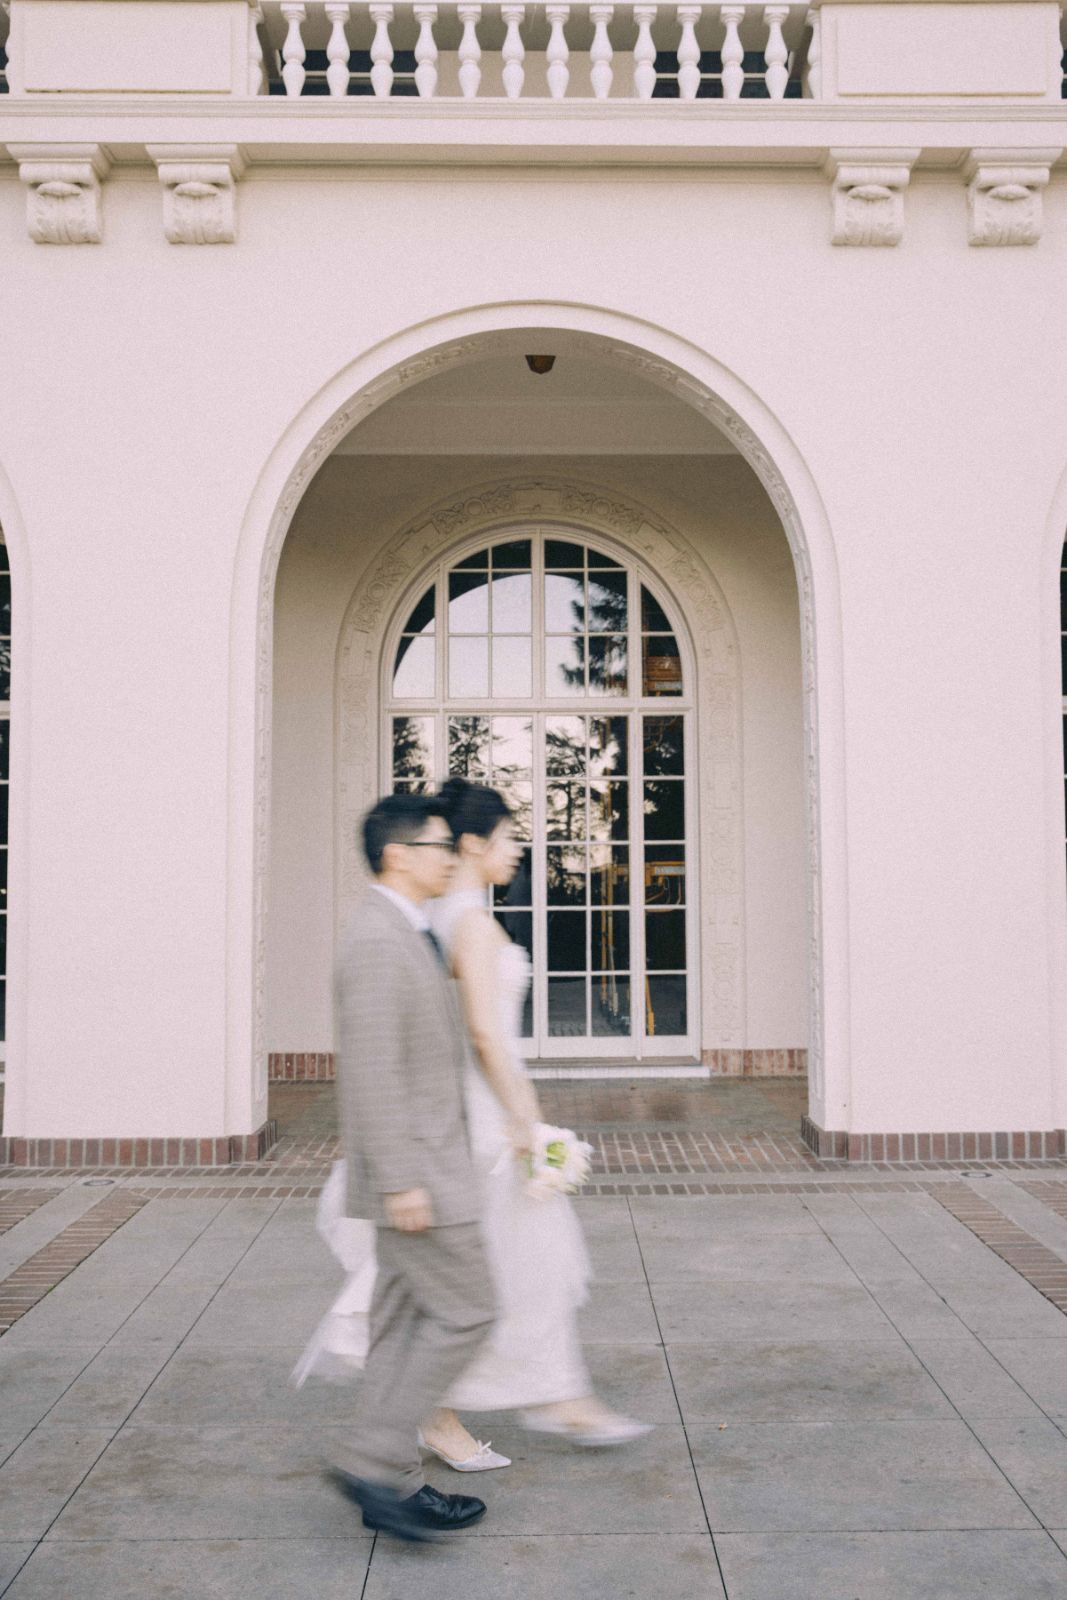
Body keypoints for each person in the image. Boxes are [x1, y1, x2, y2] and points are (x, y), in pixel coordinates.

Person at [424, 775, 651, 1451]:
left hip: (473, 1111)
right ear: (472, 844)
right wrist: (525, 1119)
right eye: (506, 837)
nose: (516, 849)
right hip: (487, 1118)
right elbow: (485, 1036)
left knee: (505, 1262)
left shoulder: (447, 915)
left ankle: (535, 1397)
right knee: (522, 1262)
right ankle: (554, 1399)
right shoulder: (468, 921)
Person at [327, 792, 497, 1542]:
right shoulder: (375, 938)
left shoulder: (407, 928)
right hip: (418, 1175)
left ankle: (389, 1482)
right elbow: (371, 1071)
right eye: (438, 845)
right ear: (398, 855)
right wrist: (400, 1180)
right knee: (469, 1309)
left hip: (426, 1165)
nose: (450, 857)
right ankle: (371, 1456)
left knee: (399, 1325)